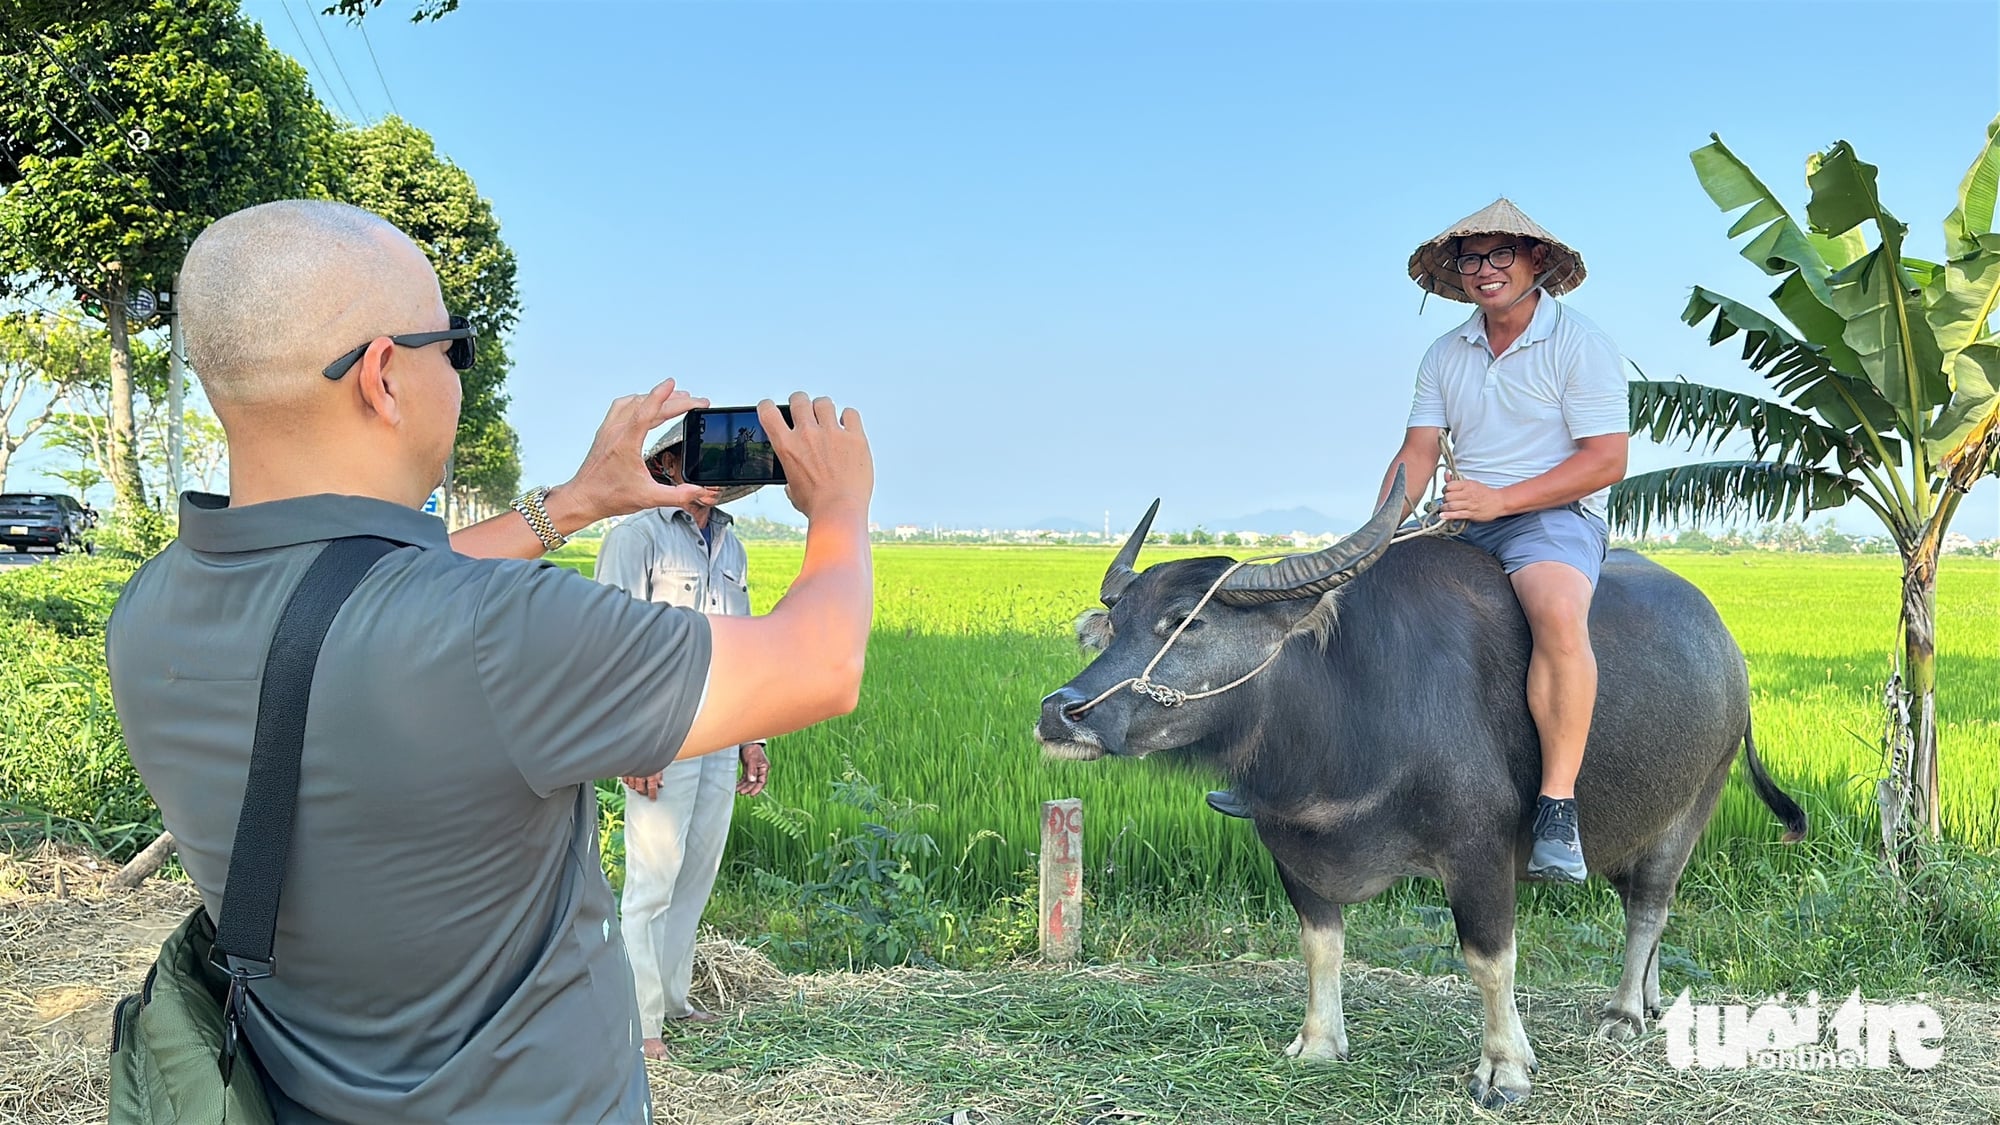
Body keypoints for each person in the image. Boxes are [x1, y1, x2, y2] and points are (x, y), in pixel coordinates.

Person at [105, 198, 874, 1123]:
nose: (458, 375)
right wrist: (839, 506)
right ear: (384, 375)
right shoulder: (496, 633)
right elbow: (823, 661)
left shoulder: (150, 609)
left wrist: (578, 501)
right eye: (453, 347)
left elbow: (345, 593)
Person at [1206, 199, 1628, 886]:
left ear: (1537, 261)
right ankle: (1273, 774)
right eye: (1472, 259)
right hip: (1460, 514)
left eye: (1500, 256)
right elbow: (1418, 452)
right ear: (1456, 272)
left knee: (1554, 609)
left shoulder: (1581, 345)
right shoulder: (1446, 352)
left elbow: (1606, 460)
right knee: (1342, 602)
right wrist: (1374, 536)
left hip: (1553, 513)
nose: (1485, 271)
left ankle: (1557, 805)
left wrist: (1502, 499)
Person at [597, 422, 768, 1058]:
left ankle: (674, 1000)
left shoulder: (733, 546)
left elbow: (743, 648)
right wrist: (632, 743)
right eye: (700, 457)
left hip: (723, 730)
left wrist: (751, 737)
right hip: (661, 734)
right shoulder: (634, 539)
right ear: (668, 463)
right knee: (652, 881)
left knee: (696, 873)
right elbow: (609, 649)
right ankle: (639, 1026)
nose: (716, 472)